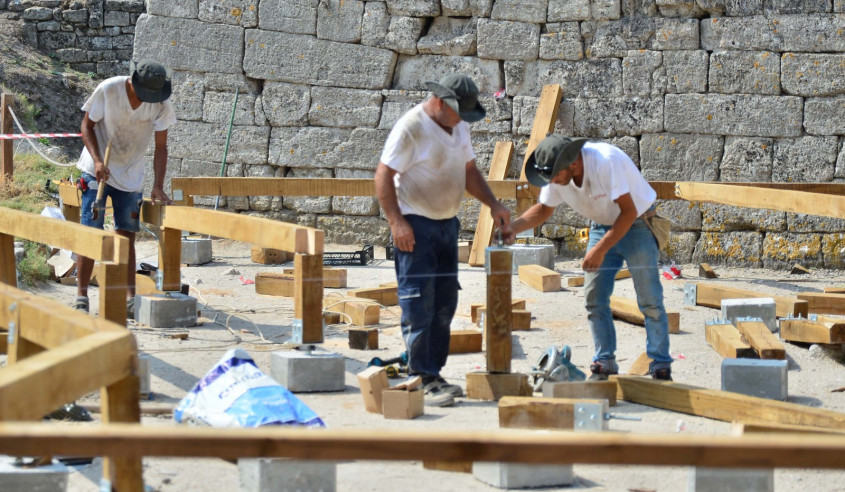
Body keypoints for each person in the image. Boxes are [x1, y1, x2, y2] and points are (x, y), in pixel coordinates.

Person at [375, 74, 510, 407]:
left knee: (444, 303)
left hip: (447, 224)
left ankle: (430, 371)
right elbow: (383, 175)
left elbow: (469, 172)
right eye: (458, 112)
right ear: (439, 101)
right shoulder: (412, 127)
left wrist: (493, 203)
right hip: (415, 225)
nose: (462, 119)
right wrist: (396, 222)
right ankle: (422, 378)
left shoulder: (459, 126)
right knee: (418, 304)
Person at [500, 135, 673, 381]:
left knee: (649, 298)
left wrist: (600, 249)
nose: (553, 182)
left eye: (556, 177)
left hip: (637, 224)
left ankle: (660, 363)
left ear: (573, 164)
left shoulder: (606, 161)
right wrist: (513, 228)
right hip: (602, 225)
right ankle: (605, 360)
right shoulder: (556, 171)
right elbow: (544, 209)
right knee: (594, 296)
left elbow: (628, 211)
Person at [73, 59, 177, 319]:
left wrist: (157, 185)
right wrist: (97, 161)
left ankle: (130, 299)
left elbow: (161, 147)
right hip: (97, 167)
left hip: (131, 172)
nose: (148, 100)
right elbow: (87, 126)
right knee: (91, 232)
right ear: (134, 82)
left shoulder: (161, 103)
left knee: (126, 235)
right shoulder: (109, 89)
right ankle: (81, 295)